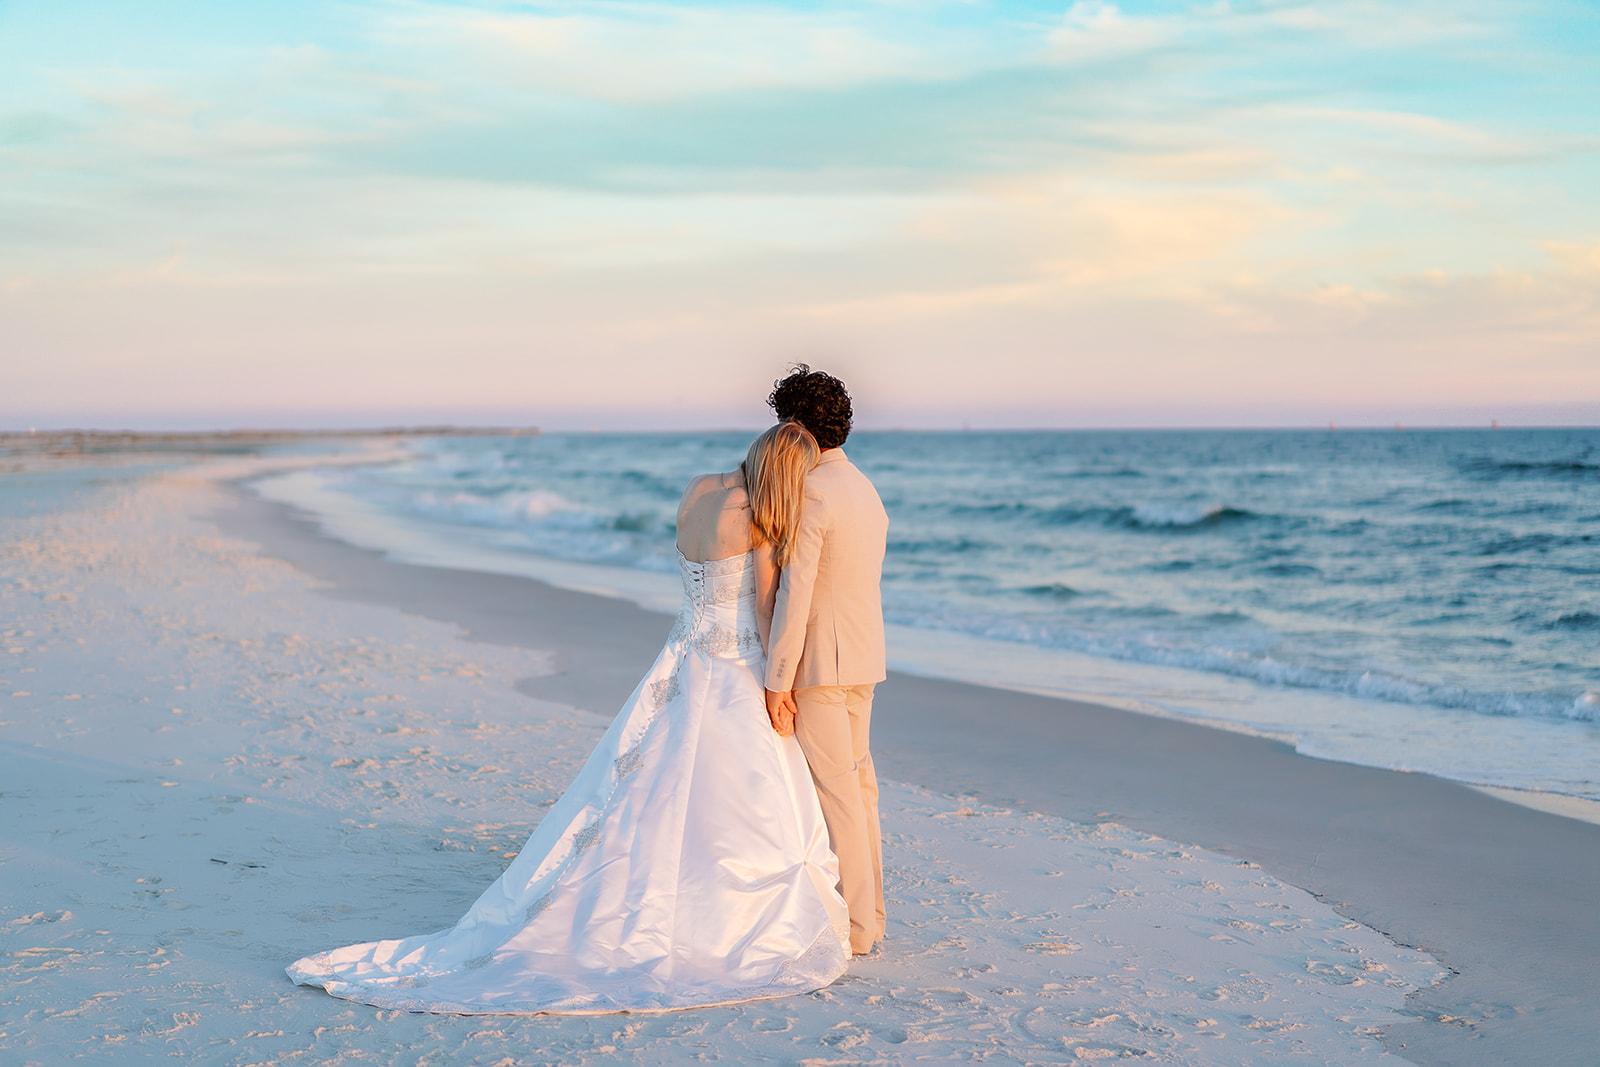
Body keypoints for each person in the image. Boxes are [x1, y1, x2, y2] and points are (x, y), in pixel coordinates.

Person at [287, 422, 851, 1014]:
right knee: (737, 794)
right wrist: (776, 687)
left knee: (648, 782)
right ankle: (719, 909)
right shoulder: (758, 519)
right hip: (734, 662)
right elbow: (763, 610)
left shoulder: (696, 491)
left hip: (682, 652)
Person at [762, 367, 891, 956]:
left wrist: (776, 678)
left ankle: (859, 930)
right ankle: (872, 919)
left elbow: (798, 591)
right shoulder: (864, 487)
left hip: (823, 666)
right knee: (860, 794)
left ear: (795, 427)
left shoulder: (813, 492)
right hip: (865, 657)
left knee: (840, 797)